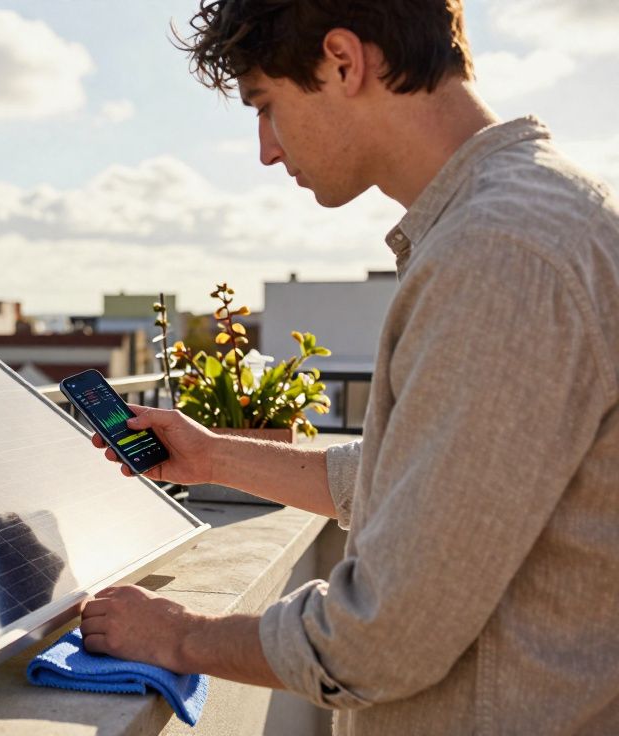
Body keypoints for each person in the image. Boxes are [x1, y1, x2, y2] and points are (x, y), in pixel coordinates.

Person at [77, 0, 619, 732]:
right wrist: (212, 456)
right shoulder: (534, 215)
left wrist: (178, 636)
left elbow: (381, 639)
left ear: (342, 60)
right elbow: (423, 476)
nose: (266, 150)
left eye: (265, 106)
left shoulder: (501, 252)